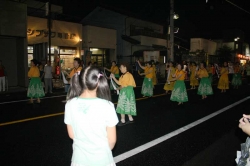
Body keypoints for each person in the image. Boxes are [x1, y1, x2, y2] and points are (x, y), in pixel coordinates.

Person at [65, 66, 118, 166]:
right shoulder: (107, 106)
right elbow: (112, 140)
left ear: (80, 81)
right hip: (102, 159)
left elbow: (72, 135)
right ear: (98, 82)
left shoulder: (70, 104)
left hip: (79, 159)